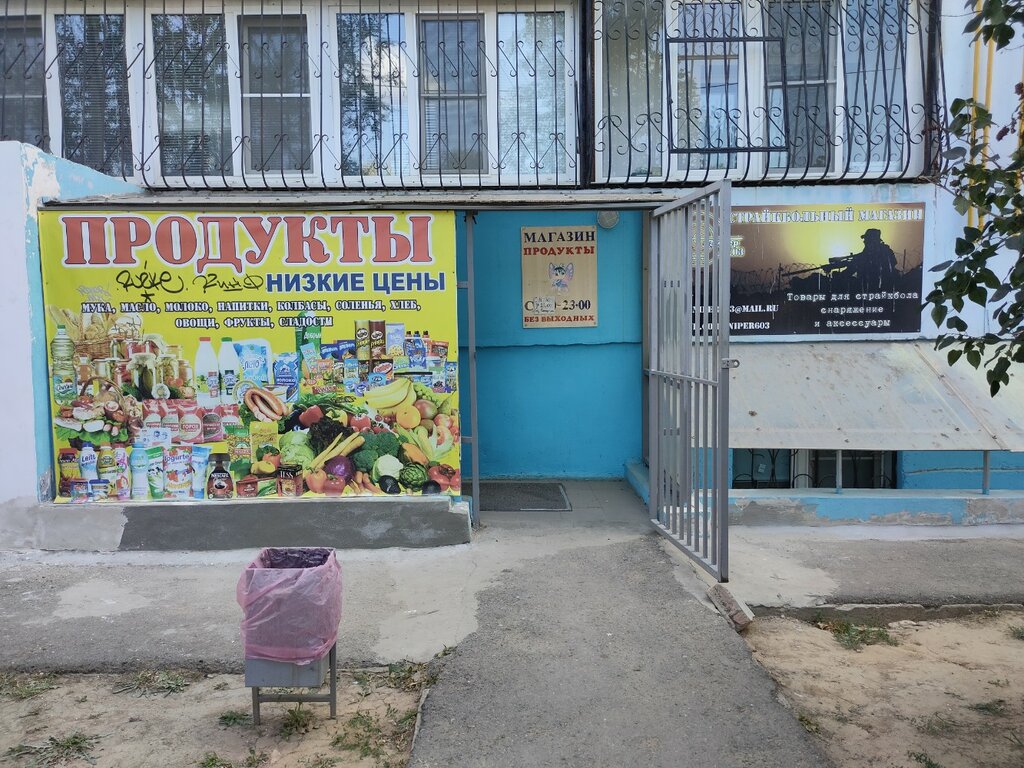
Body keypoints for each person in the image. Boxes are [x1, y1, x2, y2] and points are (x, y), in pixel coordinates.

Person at [826, 228, 897, 291]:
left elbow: (858, 263)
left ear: (873, 241)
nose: (864, 242)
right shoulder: (870, 252)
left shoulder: (884, 252)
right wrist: (836, 267)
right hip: (874, 289)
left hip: (879, 289)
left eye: (867, 240)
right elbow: (855, 263)